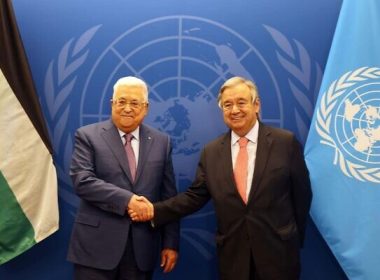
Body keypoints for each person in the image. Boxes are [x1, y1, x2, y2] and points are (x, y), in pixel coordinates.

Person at [129, 76, 312, 280]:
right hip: (234, 259)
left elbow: (302, 197)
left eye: (241, 102)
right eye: (227, 105)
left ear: (256, 105)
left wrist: (291, 237)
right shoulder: (212, 152)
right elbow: (194, 197)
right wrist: (154, 210)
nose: (235, 110)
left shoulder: (285, 143)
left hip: (279, 256)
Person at [67, 76, 179, 280]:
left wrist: (170, 243)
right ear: (112, 104)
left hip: (141, 249)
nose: (127, 108)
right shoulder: (87, 136)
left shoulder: (162, 142)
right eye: (122, 101)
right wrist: (128, 201)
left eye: (135, 103)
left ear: (145, 108)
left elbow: (168, 196)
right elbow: (82, 181)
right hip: (95, 249)